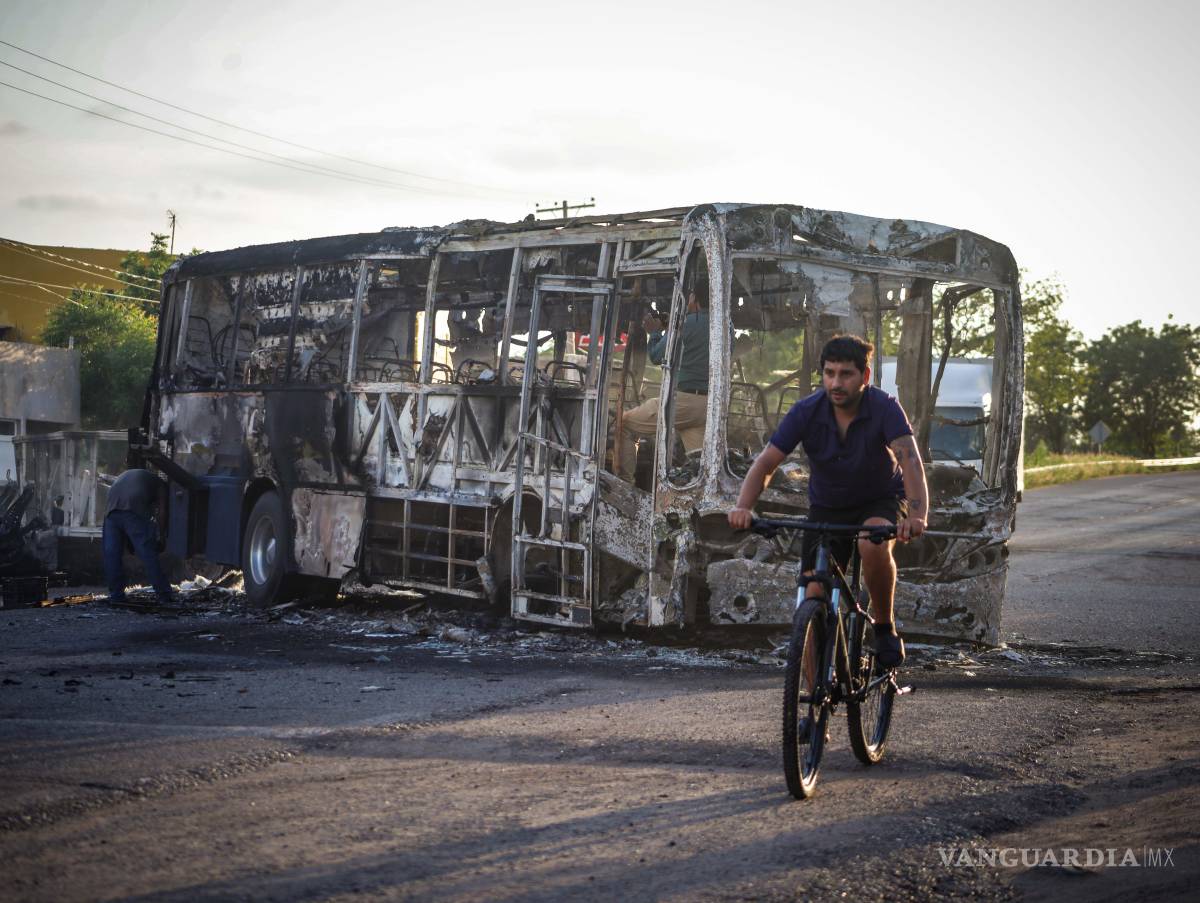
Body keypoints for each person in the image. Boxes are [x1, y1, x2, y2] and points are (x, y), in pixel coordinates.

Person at [727, 334, 928, 667]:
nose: (836, 382)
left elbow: (909, 461)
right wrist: (743, 507)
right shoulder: (806, 410)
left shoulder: (884, 407)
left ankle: (883, 626)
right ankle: (809, 702)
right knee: (813, 593)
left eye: (846, 374)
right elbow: (766, 463)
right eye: (829, 373)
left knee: (871, 543)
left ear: (864, 376)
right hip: (827, 506)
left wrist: (917, 515)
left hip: (880, 499)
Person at [617, 281, 710, 479]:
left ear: (695, 299)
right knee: (700, 465)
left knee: (623, 423)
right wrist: (672, 328)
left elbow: (658, 356)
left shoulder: (685, 324)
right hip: (707, 406)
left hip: (683, 403)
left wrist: (656, 332)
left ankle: (625, 485)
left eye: (691, 297)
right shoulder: (725, 325)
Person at [102, 468, 175, 605]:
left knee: (111, 553)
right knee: (147, 552)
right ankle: (164, 594)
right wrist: (162, 536)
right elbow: (162, 512)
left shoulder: (138, 476)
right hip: (132, 506)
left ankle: (116, 596)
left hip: (111, 506)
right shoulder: (161, 485)